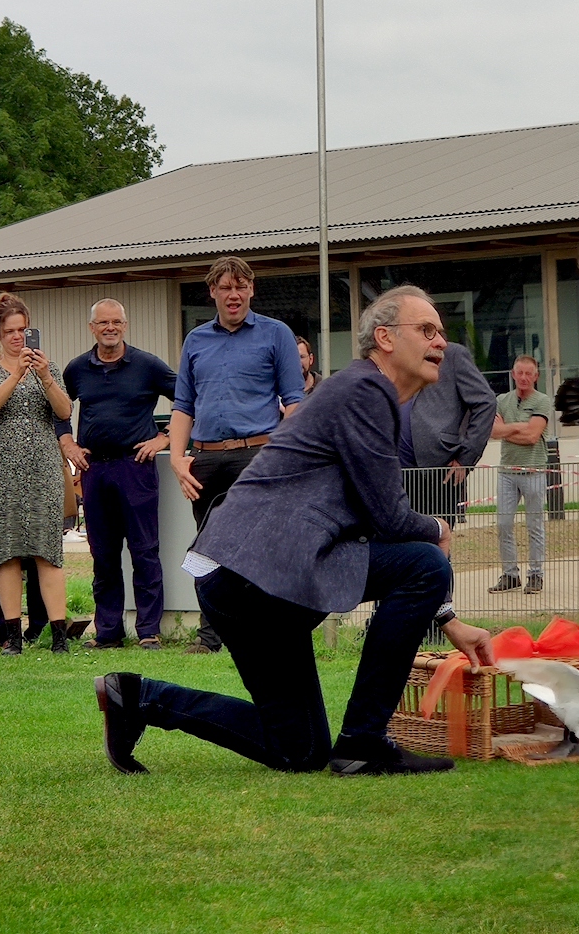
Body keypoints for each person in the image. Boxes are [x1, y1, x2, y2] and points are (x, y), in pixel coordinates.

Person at [95, 285, 497, 777]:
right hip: (252, 579)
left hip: (254, 580)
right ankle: (365, 742)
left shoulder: (366, 394)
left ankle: (137, 697)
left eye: (442, 332)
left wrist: (446, 615)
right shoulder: (366, 392)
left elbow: (377, 525)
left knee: (299, 751)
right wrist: (437, 526)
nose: (441, 343)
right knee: (426, 558)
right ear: (386, 338)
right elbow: (389, 519)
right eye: (428, 330)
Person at [167, 258, 306, 654]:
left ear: (251, 289)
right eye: (225, 287)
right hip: (205, 460)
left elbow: (295, 402)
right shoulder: (195, 340)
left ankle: (263, 632)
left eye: (241, 286)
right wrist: (178, 459)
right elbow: (183, 405)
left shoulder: (276, 334)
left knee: (260, 544)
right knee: (207, 547)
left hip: (258, 455)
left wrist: (285, 456)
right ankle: (210, 638)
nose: (233, 294)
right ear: (212, 291)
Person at [63, 298, 177, 651]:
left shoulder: (147, 366)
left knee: (144, 551)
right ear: (92, 328)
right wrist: (67, 442)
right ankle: (108, 632)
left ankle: (148, 631)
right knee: (104, 555)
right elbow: (58, 409)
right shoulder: (76, 369)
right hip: (95, 469)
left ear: (125, 326)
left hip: (136, 468)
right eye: (103, 323)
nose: (110, 328)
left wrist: (165, 438)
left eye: (116, 322)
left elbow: (190, 399)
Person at [0, 294, 74, 656]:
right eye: (10, 331)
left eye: (22, 330)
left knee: (48, 552)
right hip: (0, 468)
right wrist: (16, 373)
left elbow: (64, 411)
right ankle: (12, 637)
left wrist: (44, 375)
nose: (17, 337)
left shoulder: (51, 368)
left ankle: (59, 636)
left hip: (43, 467)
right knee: (8, 553)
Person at [404, 338, 497, 533]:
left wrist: (466, 457)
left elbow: (486, 401)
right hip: (394, 468)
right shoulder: (398, 355)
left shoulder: (452, 355)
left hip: (439, 468)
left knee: (436, 542)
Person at [487, 355, 554, 595]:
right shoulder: (501, 400)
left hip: (533, 470)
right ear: (513, 374)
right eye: (520, 373)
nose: (524, 378)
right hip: (507, 471)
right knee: (504, 524)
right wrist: (518, 427)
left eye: (529, 373)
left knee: (534, 525)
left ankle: (535, 574)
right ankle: (510, 574)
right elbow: (493, 431)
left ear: (536, 376)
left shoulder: (543, 401)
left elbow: (533, 436)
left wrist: (507, 429)